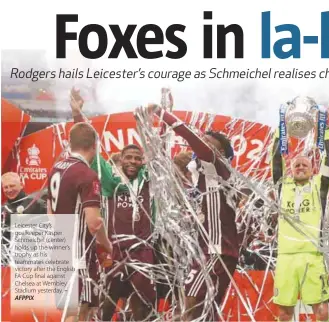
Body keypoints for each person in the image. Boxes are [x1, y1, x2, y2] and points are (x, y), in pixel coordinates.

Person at [69, 91, 157, 321]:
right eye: (128, 157)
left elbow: (156, 154)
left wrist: (146, 124)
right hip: (115, 252)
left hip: (143, 252)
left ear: (142, 163)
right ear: (121, 159)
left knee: (142, 307)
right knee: (107, 305)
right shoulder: (111, 182)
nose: (132, 162)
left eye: (137, 159)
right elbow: (93, 153)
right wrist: (78, 114)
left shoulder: (148, 181)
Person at [150, 104, 239, 321]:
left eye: (208, 144)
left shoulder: (217, 167)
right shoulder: (199, 182)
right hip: (204, 252)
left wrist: (163, 113)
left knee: (188, 308)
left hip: (217, 251)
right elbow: (159, 161)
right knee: (205, 312)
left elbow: (194, 141)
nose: (200, 147)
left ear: (219, 153)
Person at [47, 121, 113, 322]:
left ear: (69, 143)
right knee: (76, 312)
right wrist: (107, 244)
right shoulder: (87, 174)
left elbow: (49, 210)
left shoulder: (56, 168)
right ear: (94, 146)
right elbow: (94, 223)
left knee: (72, 310)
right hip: (78, 252)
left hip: (59, 247)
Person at [270, 122, 329, 322]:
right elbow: (275, 157)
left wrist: (322, 125)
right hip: (286, 256)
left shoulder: (319, 185)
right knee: (283, 313)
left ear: (312, 169)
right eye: (296, 165)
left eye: (304, 165)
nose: (300, 167)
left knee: (321, 310)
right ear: (291, 170)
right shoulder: (283, 186)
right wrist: (282, 127)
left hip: (313, 255)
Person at [1, 172, 46, 264]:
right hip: (9, 263)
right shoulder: (3, 210)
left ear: (21, 185)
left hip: (34, 262)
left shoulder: (37, 204)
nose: (9, 190)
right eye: (6, 187)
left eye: (12, 186)